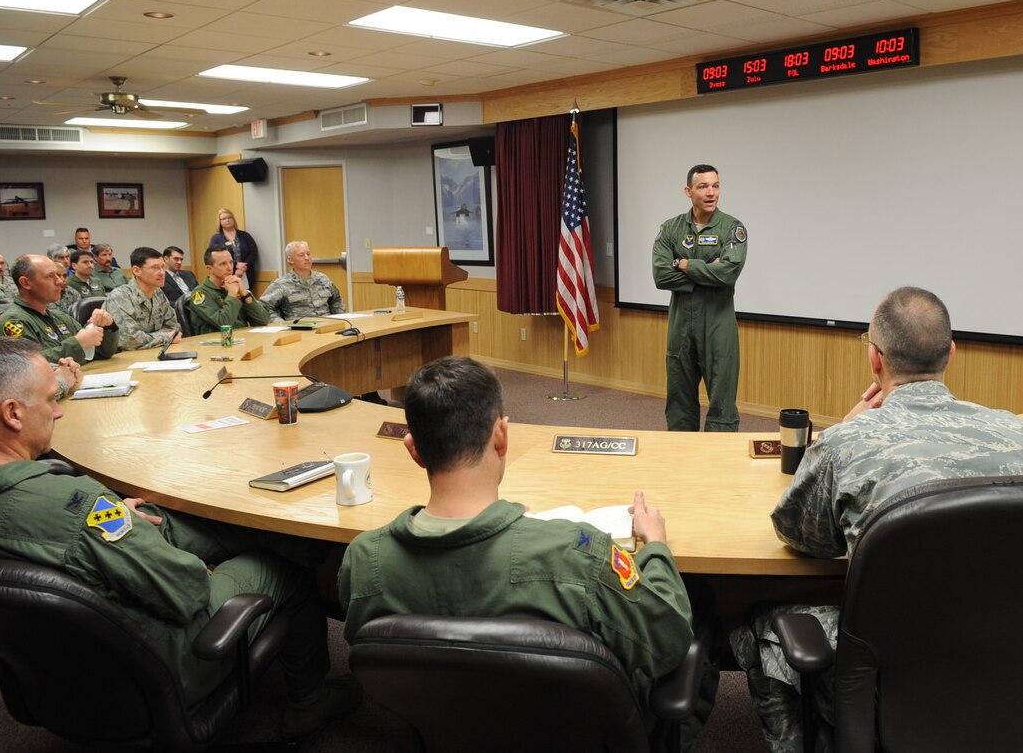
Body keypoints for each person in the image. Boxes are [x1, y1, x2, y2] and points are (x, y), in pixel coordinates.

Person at [0, 338, 360, 737]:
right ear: (13, 414)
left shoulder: (63, 508)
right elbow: (186, 588)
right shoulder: (79, 508)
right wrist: (204, 568)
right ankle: (309, 701)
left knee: (174, 521)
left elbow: (68, 538)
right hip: (161, 663)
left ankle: (294, 548)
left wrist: (117, 522)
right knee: (281, 568)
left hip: (70, 667)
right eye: (51, 400)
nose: (59, 411)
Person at [730, 286, 1023, 753]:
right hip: (1005, 671)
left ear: (874, 360)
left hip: (894, 682)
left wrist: (842, 433)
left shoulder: (847, 443)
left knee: (763, 624)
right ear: (952, 352)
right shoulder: (1017, 431)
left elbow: (798, 533)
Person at [339, 356, 694, 733]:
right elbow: (668, 639)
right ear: (501, 435)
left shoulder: (364, 561)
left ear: (413, 448)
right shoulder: (575, 553)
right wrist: (655, 544)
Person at [652, 164, 748, 432]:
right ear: (688, 191)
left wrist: (684, 264)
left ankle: (718, 465)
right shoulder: (670, 229)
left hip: (718, 325)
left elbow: (727, 274)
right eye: (703, 186)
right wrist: (708, 270)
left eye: (716, 186)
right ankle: (681, 460)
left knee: (722, 404)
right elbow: (661, 276)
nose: (711, 193)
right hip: (680, 325)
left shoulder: (732, 228)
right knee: (679, 400)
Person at [0, 254, 118, 363]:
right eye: (50, 276)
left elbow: (101, 353)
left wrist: (108, 326)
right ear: (26, 283)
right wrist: (78, 343)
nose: (60, 281)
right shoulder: (14, 322)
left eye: (59, 275)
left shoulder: (60, 317)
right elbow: (27, 365)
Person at [104, 247, 182, 351]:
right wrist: (165, 337)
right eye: (155, 268)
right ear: (136, 271)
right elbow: (129, 341)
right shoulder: (119, 297)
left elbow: (174, 329)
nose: (162, 273)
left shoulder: (158, 293)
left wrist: (160, 337)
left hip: (154, 353)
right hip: (123, 360)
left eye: (163, 267)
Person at [187, 244, 269, 335]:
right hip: (214, 345)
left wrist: (245, 294)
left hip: (241, 340)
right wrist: (232, 294)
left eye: (231, 262)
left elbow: (263, 321)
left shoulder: (234, 286)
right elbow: (224, 324)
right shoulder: (200, 294)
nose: (230, 268)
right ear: (209, 269)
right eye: (223, 264)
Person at [261, 241, 345, 323]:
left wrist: (340, 319)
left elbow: (337, 299)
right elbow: (264, 307)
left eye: (308, 254)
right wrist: (281, 324)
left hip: (328, 326)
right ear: (290, 259)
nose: (307, 258)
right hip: (301, 329)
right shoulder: (281, 284)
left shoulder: (323, 279)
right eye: (301, 255)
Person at [209, 208, 258, 290]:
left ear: (233, 219)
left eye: (229, 217)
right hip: (226, 276)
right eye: (224, 218)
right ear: (220, 222)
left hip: (245, 274)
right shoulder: (216, 239)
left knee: (247, 299)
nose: (227, 220)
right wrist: (236, 265)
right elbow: (214, 257)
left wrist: (244, 266)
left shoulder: (244, 235)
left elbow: (253, 251)